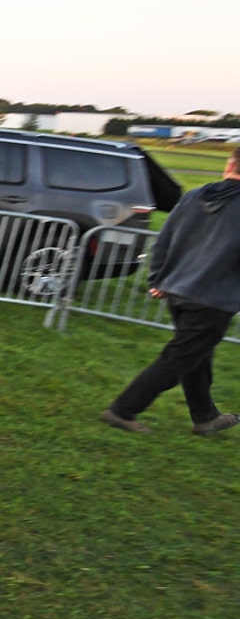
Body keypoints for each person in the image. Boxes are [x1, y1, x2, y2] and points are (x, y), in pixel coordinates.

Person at [103, 148, 240, 436]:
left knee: (196, 355)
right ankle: (123, 410)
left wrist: (158, 279)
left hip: (177, 290)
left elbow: (165, 238)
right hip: (212, 298)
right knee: (180, 358)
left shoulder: (194, 196)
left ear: (229, 164)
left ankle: (205, 417)